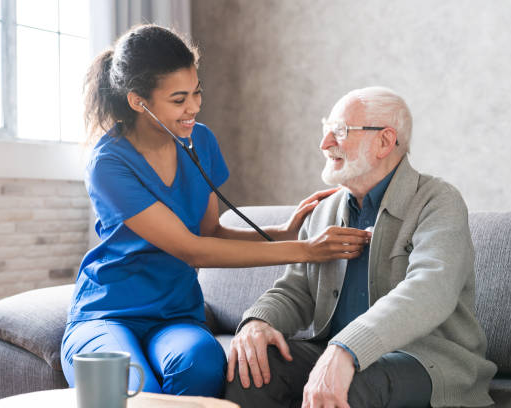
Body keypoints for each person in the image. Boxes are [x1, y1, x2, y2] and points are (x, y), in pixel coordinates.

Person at [60, 25, 371, 398]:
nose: (193, 107)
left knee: (202, 366)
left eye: (196, 93)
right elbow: (191, 249)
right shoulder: (108, 163)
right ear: (138, 102)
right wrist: (307, 249)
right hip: (109, 312)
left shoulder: (200, 140)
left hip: (175, 315)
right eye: (178, 100)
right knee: (128, 387)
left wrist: (284, 232)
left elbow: (210, 231)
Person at [225, 86, 497, 408]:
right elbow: (295, 291)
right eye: (326, 131)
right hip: (338, 351)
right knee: (254, 368)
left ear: (384, 141)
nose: (324, 144)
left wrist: (347, 348)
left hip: (425, 359)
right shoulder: (324, 209)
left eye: (339, 132)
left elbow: (430, 291)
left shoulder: (438, 201)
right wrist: (259, 322)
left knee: (356, 385)